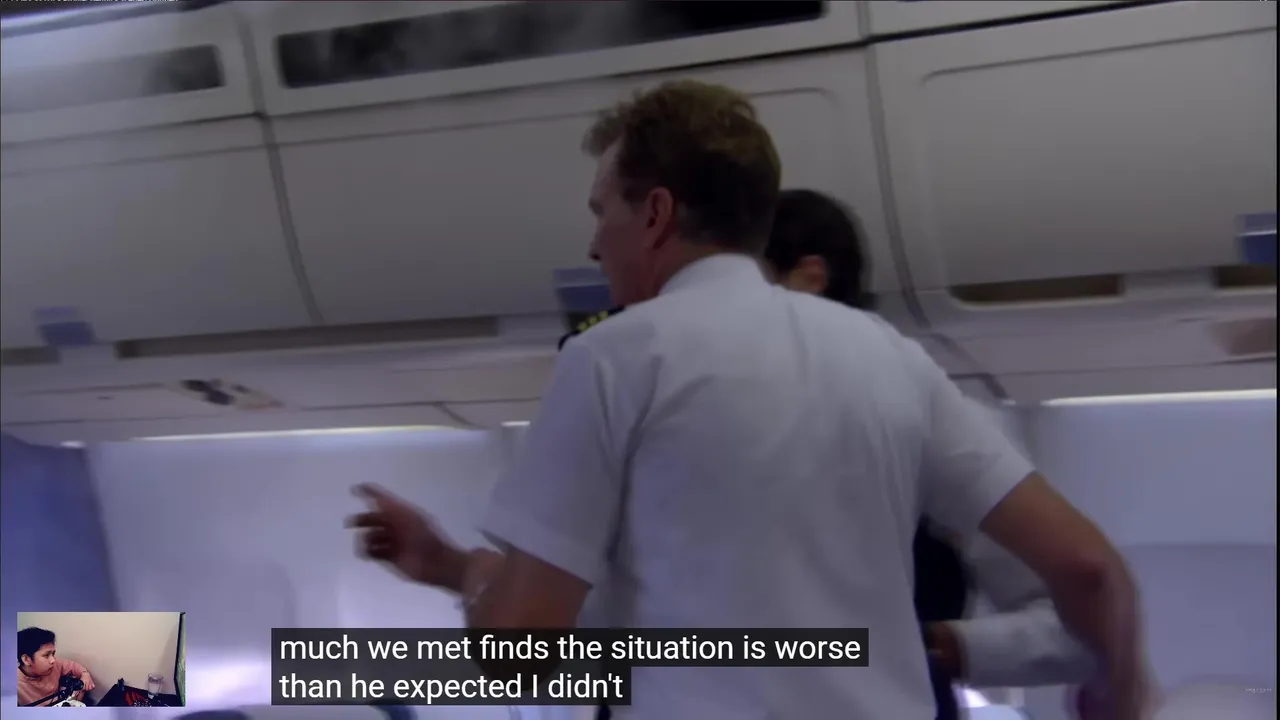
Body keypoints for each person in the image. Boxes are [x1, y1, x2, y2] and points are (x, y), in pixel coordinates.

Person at [348, 80, 1147, 718]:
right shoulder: (891, 357)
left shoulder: (613, 358)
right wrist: (1123, 689)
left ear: (655, 213)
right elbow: (1088, 567)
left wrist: (481, 595)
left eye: (602, 211)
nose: (593, 244)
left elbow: (525, 651)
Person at [764, 188, 1100, 715]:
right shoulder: (687, 429)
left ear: (809, 281)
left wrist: (941, 646)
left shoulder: (928, 422)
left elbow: (1077, 625)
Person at [16, 627, 95, 707]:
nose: (53, 660)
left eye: (53, 654)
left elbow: (73, 666)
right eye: (46, 655)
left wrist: (85, 674)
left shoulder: (55, 664)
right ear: (26, 659)